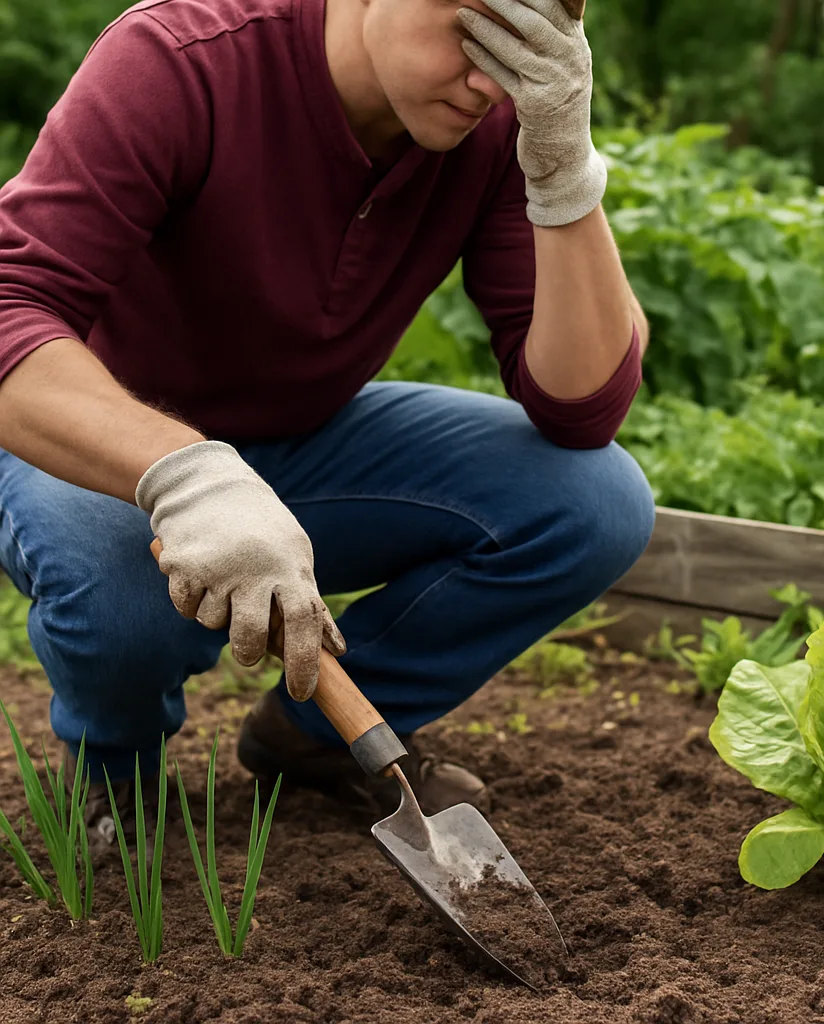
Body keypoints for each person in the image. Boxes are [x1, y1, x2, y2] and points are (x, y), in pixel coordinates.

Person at [0, 0, 655, 854]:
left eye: (527, 47)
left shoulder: (495, 129)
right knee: (118, 582)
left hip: (296, 441)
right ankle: (115, 779)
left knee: (595, 501)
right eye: (474, 27)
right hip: (90, 452)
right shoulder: (180, 60)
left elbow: (582, 407)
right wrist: (184, 473)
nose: (491, 78)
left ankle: (312, 735)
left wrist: (564, 168)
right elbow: (12, 311)